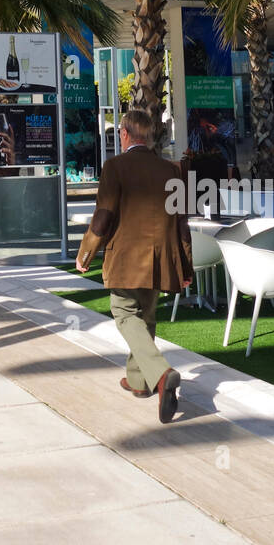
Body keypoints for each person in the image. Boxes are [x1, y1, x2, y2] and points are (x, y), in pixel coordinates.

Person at [76, 108, 193, 424]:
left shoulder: (115, 167)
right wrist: (186, 266)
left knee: (126, 314)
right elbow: (182, 224)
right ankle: (139, 382)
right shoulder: (171, 171)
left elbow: (103, 216)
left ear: (124, 134)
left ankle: (160, 373)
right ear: (150, 137)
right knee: (147, 316)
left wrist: (86, 252)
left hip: (126, 259)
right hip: (160, 260)